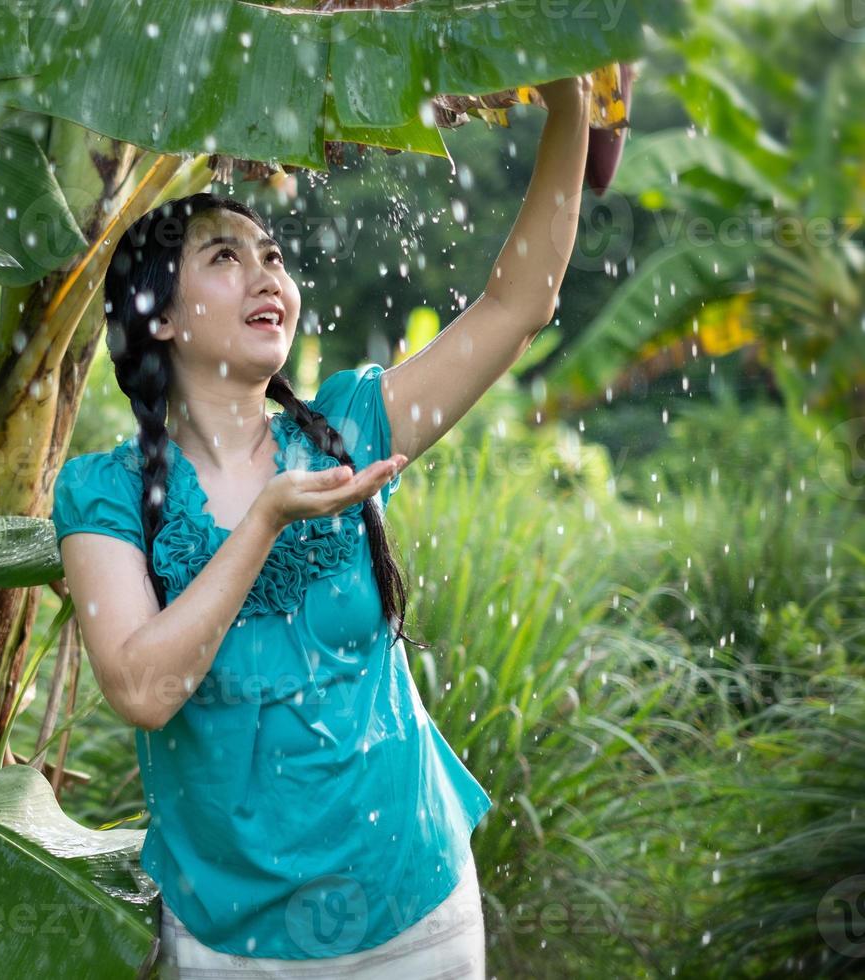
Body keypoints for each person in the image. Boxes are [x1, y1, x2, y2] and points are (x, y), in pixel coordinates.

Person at [51, 74, 594, 978]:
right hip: (236, 943)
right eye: (224, 259)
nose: (265, 273)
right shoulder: (103, 495)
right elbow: (142, 688)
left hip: (419, 909)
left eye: (270, 254)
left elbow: (518, 306)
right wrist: (263, 520)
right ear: (161, 317)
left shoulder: (347, 425)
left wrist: (574, 113)